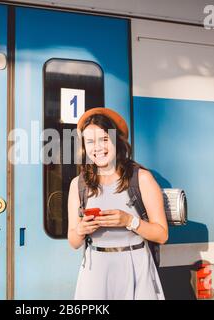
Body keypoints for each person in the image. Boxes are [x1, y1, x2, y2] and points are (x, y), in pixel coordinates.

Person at [67, 107, 168, 300]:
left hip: (135, 267)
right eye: (90, 142)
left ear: (117, 141)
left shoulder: (142, 179)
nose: (97, 147)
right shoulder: (78, 184)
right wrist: (81, 229)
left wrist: (129, 221)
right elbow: (73, 242)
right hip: (94, 272)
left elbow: (162, 235)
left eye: (104, 139)